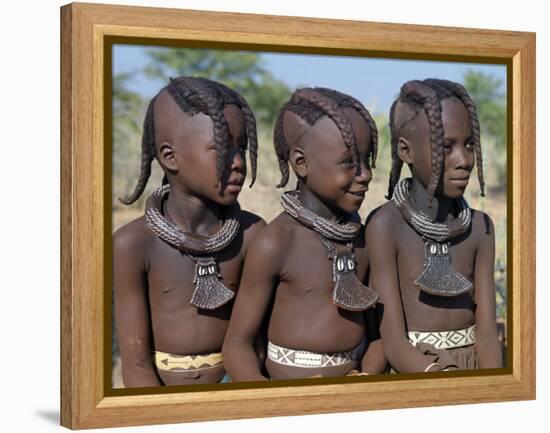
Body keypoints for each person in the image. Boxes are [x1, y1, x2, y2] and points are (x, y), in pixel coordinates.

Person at [223, 87, 386, 381]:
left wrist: (367, 376)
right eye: (349, 162)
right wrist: (270, 400)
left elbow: (378, 336)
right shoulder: (277, 241)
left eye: (366, 160)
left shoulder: (362, 238)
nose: (366, 174)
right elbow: (238, 343)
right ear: (301, 163)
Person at [113, 76, 265, 387]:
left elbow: (257, 343)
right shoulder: (133, 244)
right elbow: (136, 363)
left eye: (242, 148)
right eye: (222, 149)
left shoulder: (252, 235)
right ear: (170, 157)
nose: (237, 163)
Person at [366, 79, 502, 373]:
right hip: (414, 371)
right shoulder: (385, 226)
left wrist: (493, 390)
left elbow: (488, 333)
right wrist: (442, 380)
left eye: (468, 145)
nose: (463, 160)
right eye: (446, 146)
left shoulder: (480, 228)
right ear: (406, 151)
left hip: (473, 368)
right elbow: (393, 340)